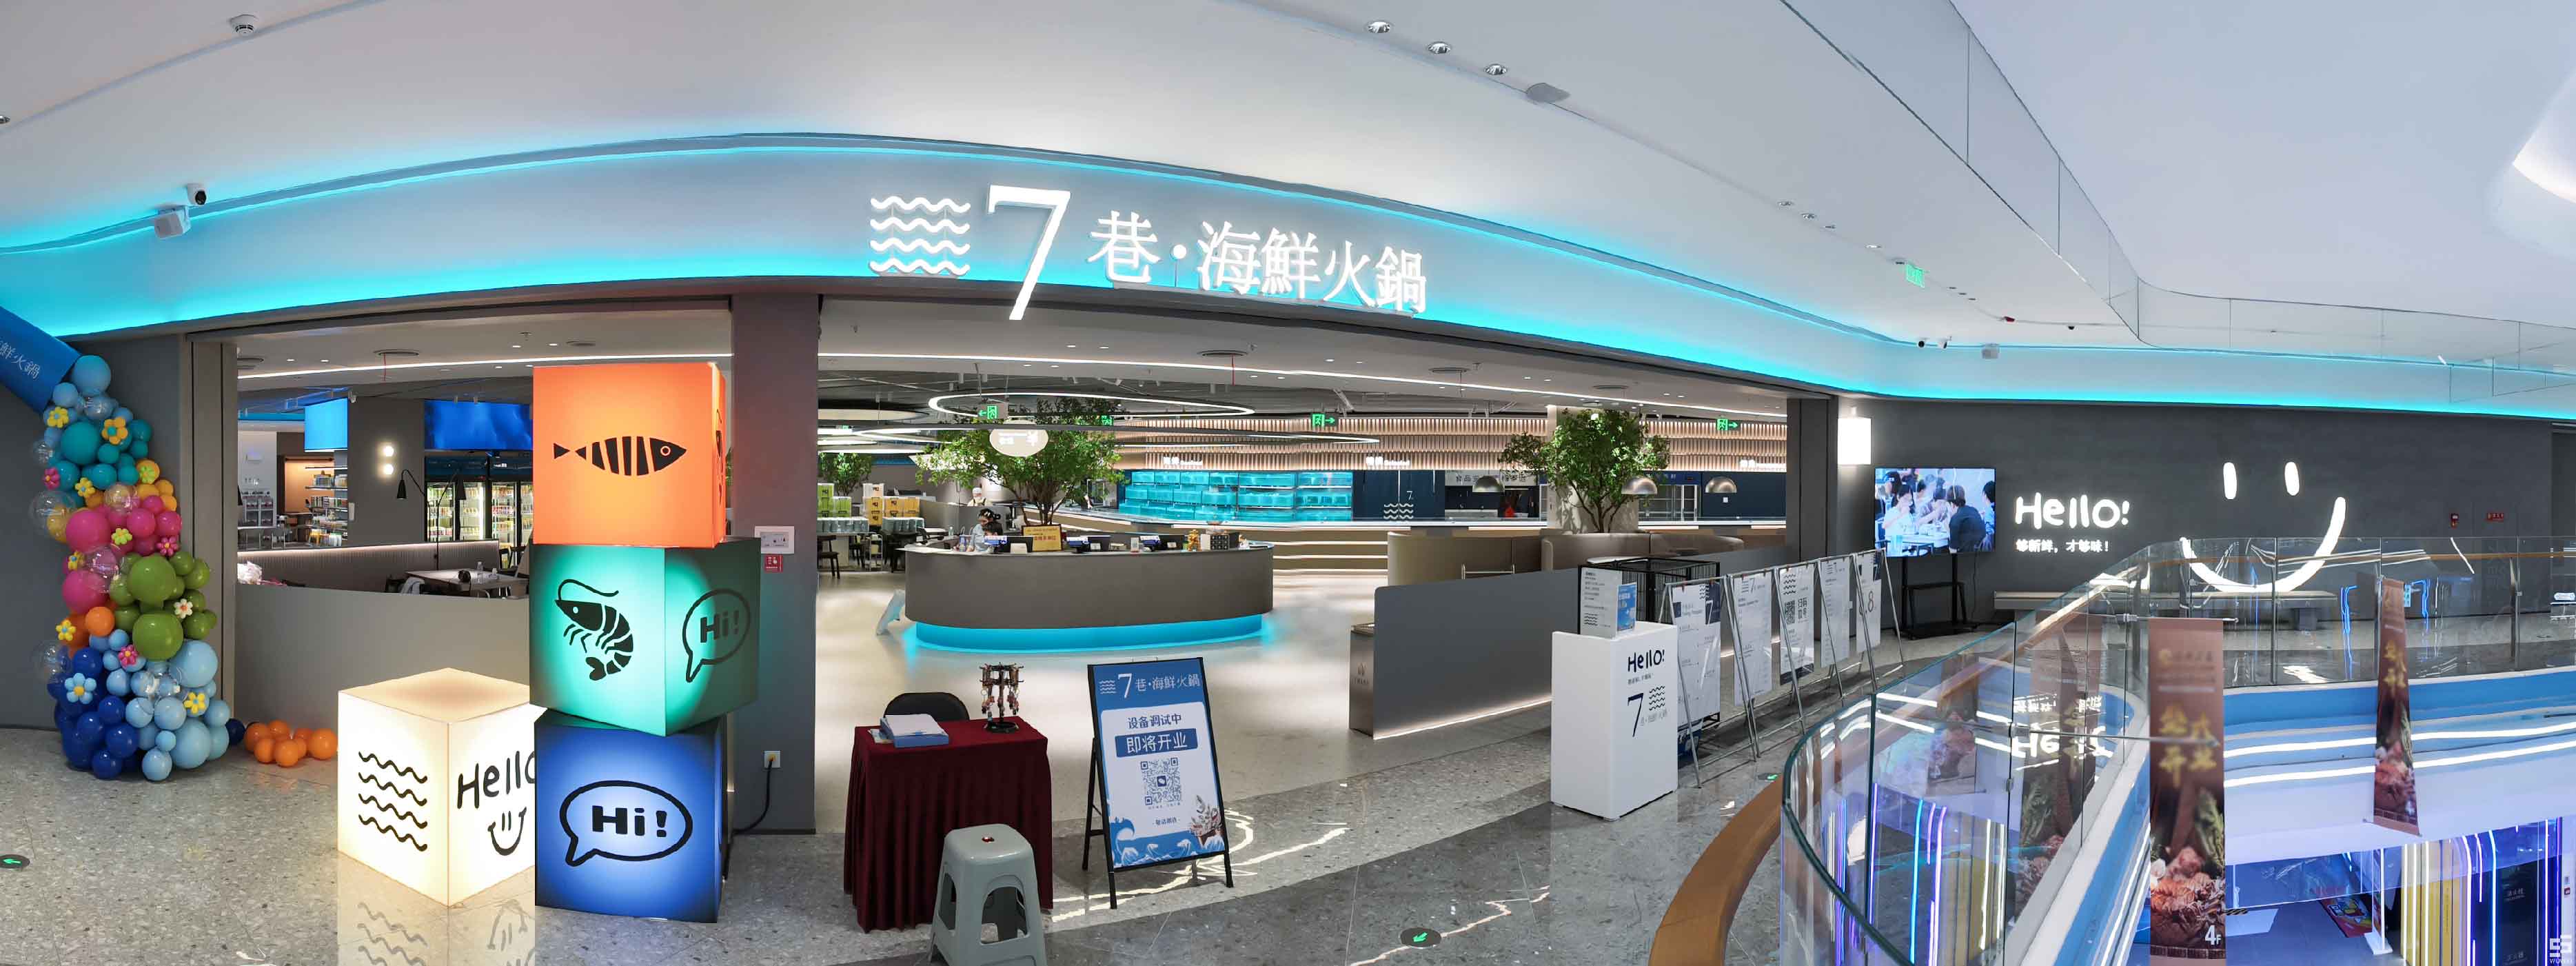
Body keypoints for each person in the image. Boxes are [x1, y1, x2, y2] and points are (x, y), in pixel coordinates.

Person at [1945, 484, 1990, 552]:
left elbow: (1953, 551)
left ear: (1951, 504)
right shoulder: (1974, 510)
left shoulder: (1955, 519)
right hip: (1983, 552)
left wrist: (1949, 527)